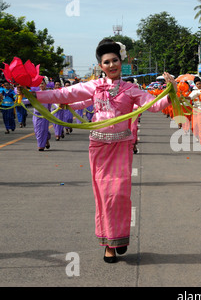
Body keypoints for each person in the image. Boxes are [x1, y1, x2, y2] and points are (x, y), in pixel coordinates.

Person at [33, 38, 175, 263]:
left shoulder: (131, 89)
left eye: (115, 60)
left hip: (120, 146)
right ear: (101, 66)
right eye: (106, 62)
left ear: (121, 62)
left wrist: (172, 91)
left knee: (119, 194)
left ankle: (120, 237)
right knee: (103, 196)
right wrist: (35, 95)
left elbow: (155, 105)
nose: (111, 65)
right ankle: (109, 244)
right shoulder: (94, 86)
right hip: (98, 146)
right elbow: (65, 94)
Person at [33, 80, 52, 151]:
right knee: (37, 130)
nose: (41, 85)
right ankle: (46, 139)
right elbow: (29, 100)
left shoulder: (49, 93)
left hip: (44, 114)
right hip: (36, 114)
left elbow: (51, 103)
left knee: (43, 129)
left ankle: (41, 146)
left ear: (45, 84)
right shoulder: (35, 93)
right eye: (39, 84)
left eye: (42, 83)